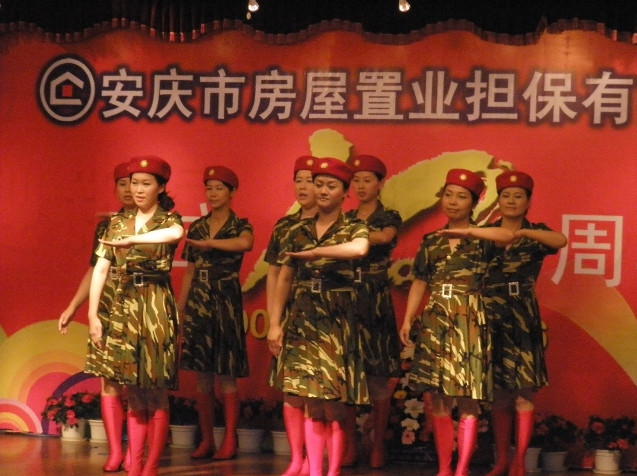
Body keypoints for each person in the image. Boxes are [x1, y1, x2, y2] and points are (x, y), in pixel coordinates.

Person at [398, 169, 513, 476]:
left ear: (473, 203)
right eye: (448, 195)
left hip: (469, 319)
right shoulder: (432, 240)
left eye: (461, 197)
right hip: (436, 317)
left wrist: (471, 232)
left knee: (467, 398)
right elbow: (420, 280)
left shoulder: (483, 238)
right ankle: (444, 468)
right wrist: (408, 318)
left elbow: (508, 236)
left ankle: (461, 469)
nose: (452, 201)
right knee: (438, 398)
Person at [267, 157, 370, 476]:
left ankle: (332, 469)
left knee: (333, 402)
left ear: (345, 192)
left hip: (335, 319)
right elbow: (284, 277)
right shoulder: (297, 230)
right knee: (309, 398)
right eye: (318, 184)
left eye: (331, 186)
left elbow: (359, 249)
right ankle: (312, 469)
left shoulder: (353, 226)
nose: (323, 191)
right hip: (302, 316)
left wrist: (317, 252)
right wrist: (274, 323)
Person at [87, 155, 184, 476]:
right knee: (132, 389)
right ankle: (133, 465)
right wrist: (93, 315)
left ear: (161, 187)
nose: (138, 190)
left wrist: (135, 239)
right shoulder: (117, 223)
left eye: (146, 184)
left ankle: (150, 466)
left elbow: (173, 235)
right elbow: (101, 268)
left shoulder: (168, 220)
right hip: (124, 304)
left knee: (154, 389)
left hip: (155, 305)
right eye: (133, 183)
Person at [482, 170, 567, 476]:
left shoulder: (537, 233)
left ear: (528, 202)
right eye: (506, 196)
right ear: (498, 200)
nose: (511, 201)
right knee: (499, 393)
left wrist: (524, 234)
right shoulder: (487, 233)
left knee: (523, 391)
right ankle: (501, 460)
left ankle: (520, 461)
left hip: (522, 316)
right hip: (491, 315)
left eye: (518, 196)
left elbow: (561, 240)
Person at [58, 161, 134, 472]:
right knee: (109, 381)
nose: (129, 190)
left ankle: (136, 451)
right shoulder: (106, 227)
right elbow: (94, 269)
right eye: (123, 184)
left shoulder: (157, 224)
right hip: (107, 308)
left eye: (135, 183)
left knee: (138, 384)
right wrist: (73, 306)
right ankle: (115, 452)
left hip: (140, 309)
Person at [178, 165, 253, 461]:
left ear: (232, 192)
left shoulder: (240, 225)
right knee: (202, 376)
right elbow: (189, 271)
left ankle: (230, 439)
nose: (212, 193)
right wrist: (181, 308)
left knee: (226, 374)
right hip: (199, 299)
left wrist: (211, 244)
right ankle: (207, 439)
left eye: (219, 188)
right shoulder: (197, 227)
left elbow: (245, 244)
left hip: (225, 299)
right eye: (209, 188)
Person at [342, 154, 402, 469]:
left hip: (375, 298)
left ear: (381, 183)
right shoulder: (346, 216)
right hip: (347, 297)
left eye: (368, 180)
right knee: (348, 375)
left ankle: (377, 446)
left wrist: (351, 234)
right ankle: (349, 446)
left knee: (377, 376)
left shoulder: (388, 215)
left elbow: (384, 237)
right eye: (356, 180)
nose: (361, 186)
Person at [266, 155, 318, 476]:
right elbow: (274, 273)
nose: (303, 186)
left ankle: (314, 458)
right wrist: (274, 321)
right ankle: (296, 458)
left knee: (316, 390)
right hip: (290, 315)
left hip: (320, 316)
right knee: (290, 388)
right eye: (298, 180)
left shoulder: (335, 226)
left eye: (309, 181)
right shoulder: (285, 226)